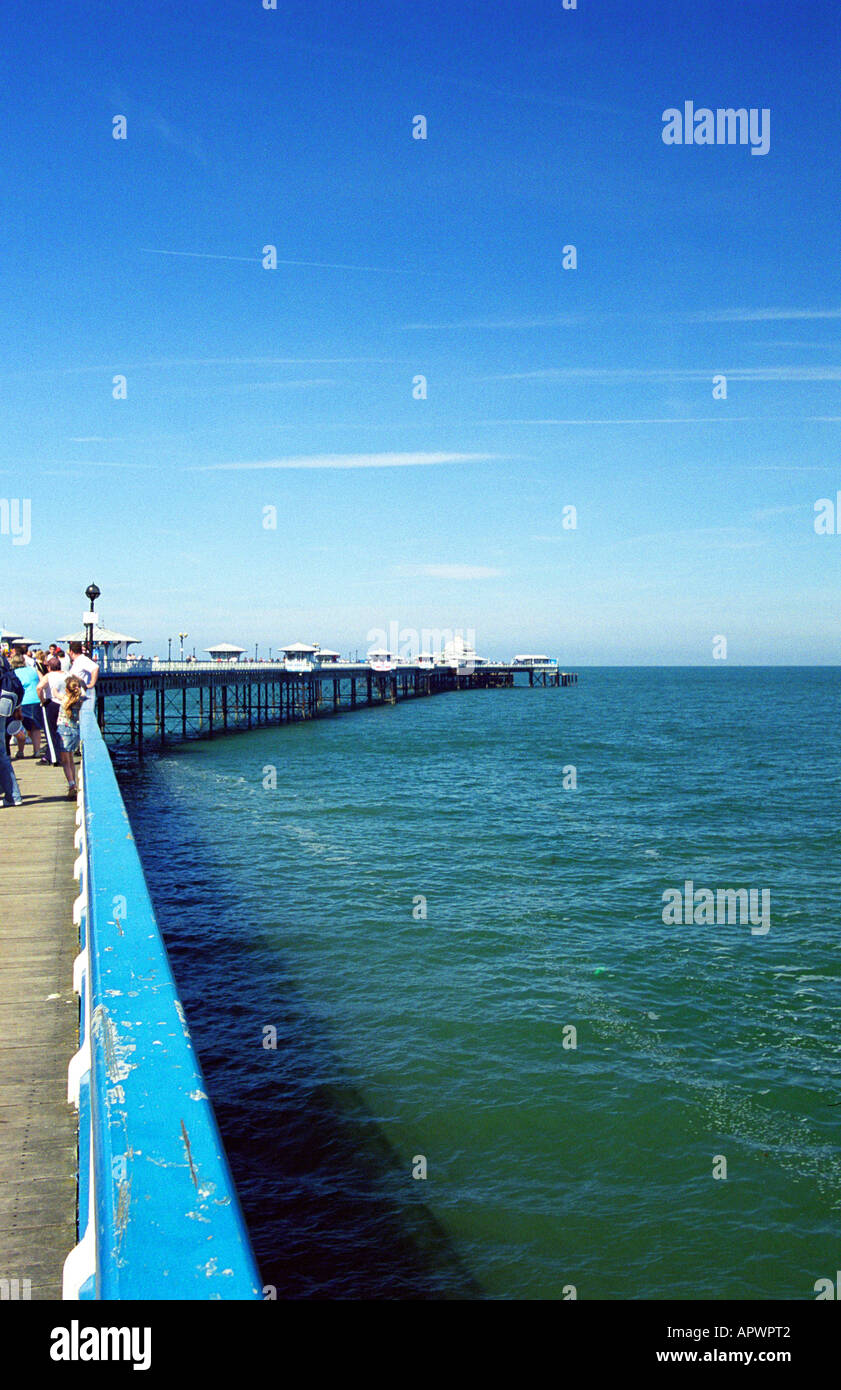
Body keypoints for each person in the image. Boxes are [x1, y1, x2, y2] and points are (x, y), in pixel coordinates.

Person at [0, 652, 24, 807]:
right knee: (2, 753)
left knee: (1, 754)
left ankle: (13, 795)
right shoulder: (5, 666)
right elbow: (19, 689)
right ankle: (12, 794)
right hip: (3, 711)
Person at [8, 653, 43, 759]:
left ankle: (20, 751)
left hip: (21, 702)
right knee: (35, 727)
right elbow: (42, 680)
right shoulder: (33, 670)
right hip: (36, 700)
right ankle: (37, 751)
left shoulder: (13, 674)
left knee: (19, 727)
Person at [56, 676, 84, 798]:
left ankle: (71, 784)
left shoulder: (65, 699)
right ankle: (74, 783)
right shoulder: (79, 700)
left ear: (67, 689)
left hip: (63, 730)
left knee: (65, 761)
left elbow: (56, 695)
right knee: (71, 759)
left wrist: (54, 691)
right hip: (74, 731)